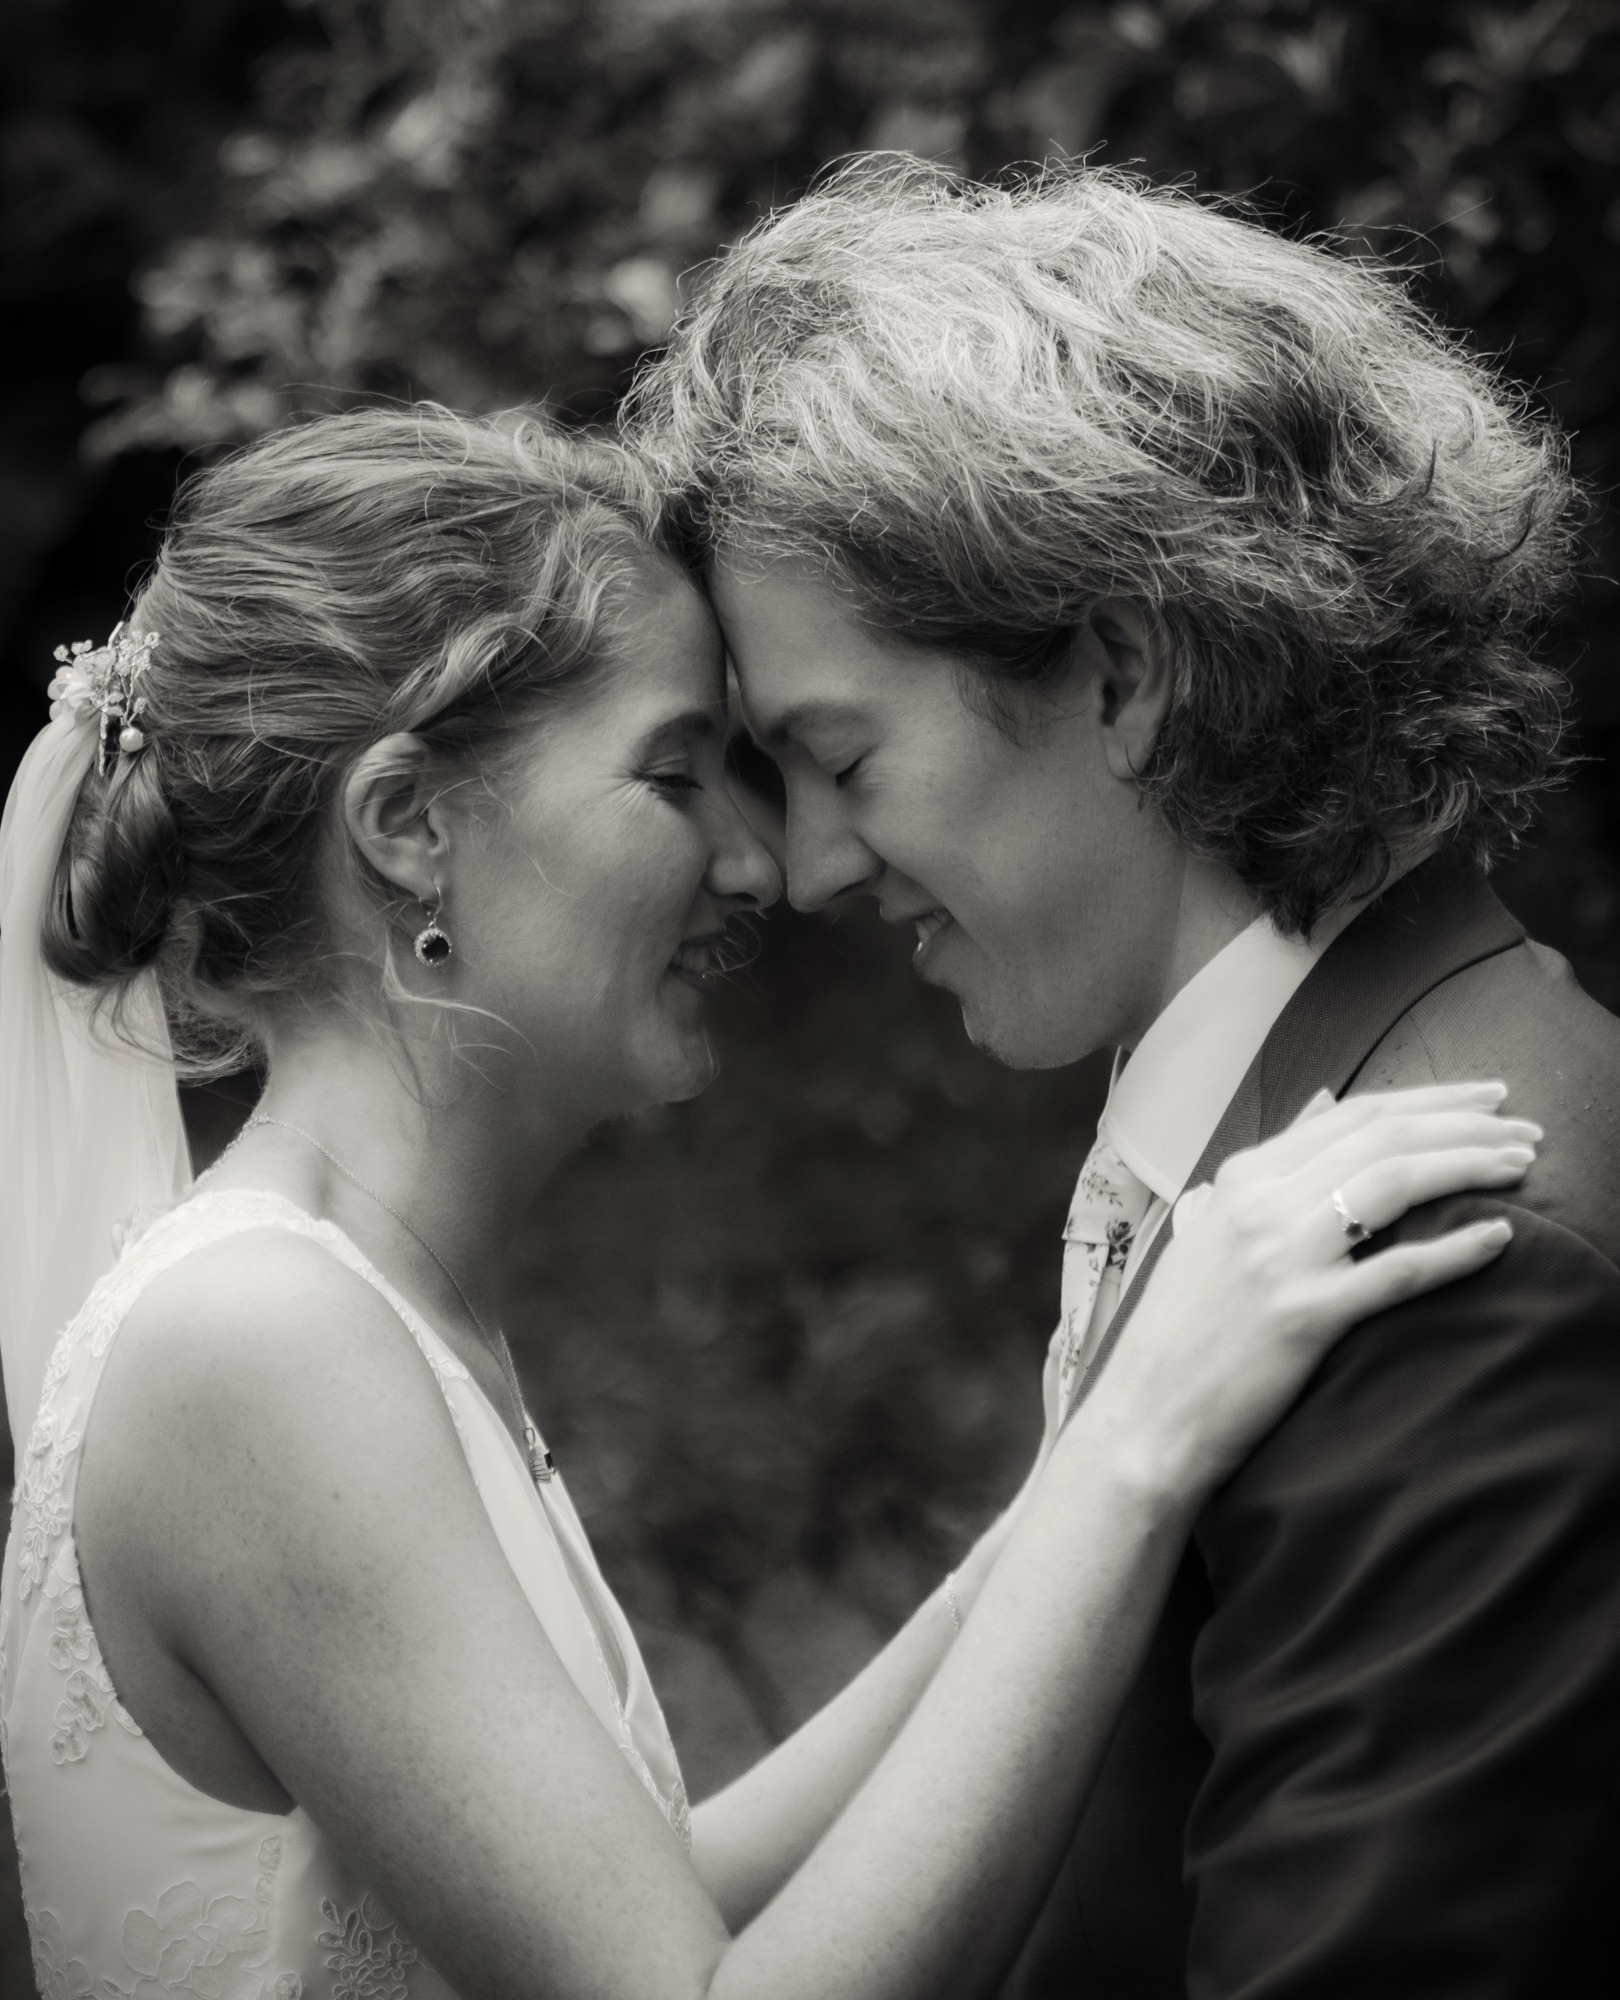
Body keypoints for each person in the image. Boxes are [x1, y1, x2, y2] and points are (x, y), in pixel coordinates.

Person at [0, 408, 1532, 2000]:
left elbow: (651, 1891)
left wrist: (1078, 1461)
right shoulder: (261, 1342)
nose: (761, 865)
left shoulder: (355, 1303)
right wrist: (1133, 1459)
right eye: (677, 775)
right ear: (407, 828)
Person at [631, 159, 1620, 1998]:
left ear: (1132, 677)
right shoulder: (1280, 1113)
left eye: (841, 757)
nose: (821, 867)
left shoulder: (1465, 1260)